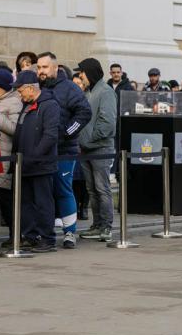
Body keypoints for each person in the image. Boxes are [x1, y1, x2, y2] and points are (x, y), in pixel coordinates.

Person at [36, 51, 91, 249]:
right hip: (43, 150)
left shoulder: (69, 88)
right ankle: (46, 231)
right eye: (39, 67)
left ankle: (70, 232)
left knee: (63, 188)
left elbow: (85, 112)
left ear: (55, 67)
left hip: (64, 150)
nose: (41, 71)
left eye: (44, 67)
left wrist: (68, 132)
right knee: (45, 191)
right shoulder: (37, 88)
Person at [12, 70, 60, 252]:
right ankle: (30, 235)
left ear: (31, 88)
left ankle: (47, 238)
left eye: (20, 90)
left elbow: (50, 136)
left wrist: (34, 156)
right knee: (26, 203)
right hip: (24, 164)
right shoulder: (27, 106)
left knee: (43, 202)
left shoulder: (49, 106)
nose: (19, 94)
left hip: (41, 165)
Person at [73, 58, 115, 242]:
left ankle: (106, 226)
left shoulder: (105, 92)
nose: (80, 76)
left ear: (89, 72)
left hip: (99, 148)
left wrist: (89, 139)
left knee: (101, 188)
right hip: (87, 148)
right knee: (92, 189)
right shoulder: (90, 92)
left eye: (82, 72)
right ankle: (97, 224)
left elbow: (107, 122)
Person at [0, 68, 21, 246]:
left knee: (6, 201)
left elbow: (15, 130)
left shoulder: (16, 102)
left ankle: (16, 235)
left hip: (4, 158)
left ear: (4, 87)